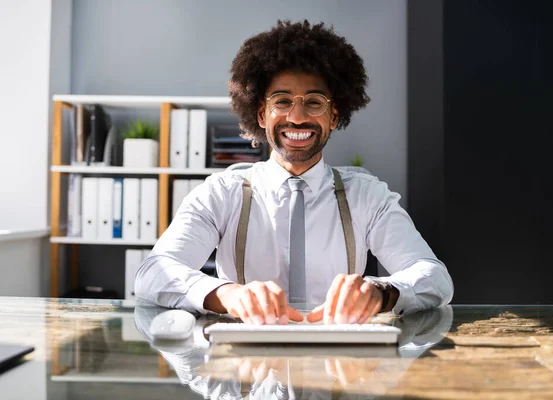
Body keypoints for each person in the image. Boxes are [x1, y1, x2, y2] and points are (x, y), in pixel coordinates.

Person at [135, 20, 453, 325]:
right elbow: (154, 272)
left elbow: (434, 277)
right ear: (261, 114)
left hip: (338, 366)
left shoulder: (367, 196)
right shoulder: (221, 192)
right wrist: (228, 294)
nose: (297, 117)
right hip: (244, 367)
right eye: (282, 101)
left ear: (333, 115)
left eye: (314, 102)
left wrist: (382, 292)